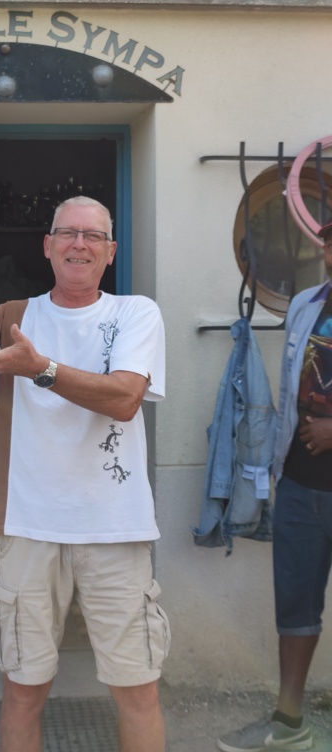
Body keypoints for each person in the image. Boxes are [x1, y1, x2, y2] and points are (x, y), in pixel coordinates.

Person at [0, 196, 169, 752]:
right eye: (67, 233)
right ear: (47, 246)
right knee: (23, 692)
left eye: (93, 236)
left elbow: (125, 399)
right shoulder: (12, 317)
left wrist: (40, 369)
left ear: (111, 251)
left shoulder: (135, 313)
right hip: (27, 529)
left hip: (115, 530)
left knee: (138, 690)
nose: (79, 244)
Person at [217, 223, 332, 752]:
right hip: (302, 485)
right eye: (330, 240)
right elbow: (290, 394)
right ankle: (289, 724)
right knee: (296, 609)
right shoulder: (308, 304)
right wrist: (275, 470)